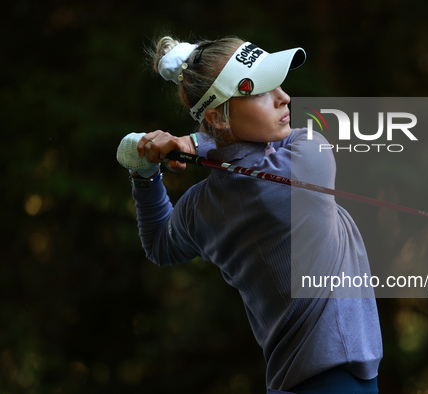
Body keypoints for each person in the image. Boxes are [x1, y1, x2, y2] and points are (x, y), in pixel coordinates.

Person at [116, 35, 382, 393]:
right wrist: (194, 142)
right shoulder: (304, 161)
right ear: (218, 117)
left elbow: (160, 244)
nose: (283, 97)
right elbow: (297, 140)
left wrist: (145, 174)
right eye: (261, 90)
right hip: (340, 380)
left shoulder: (200, 205)